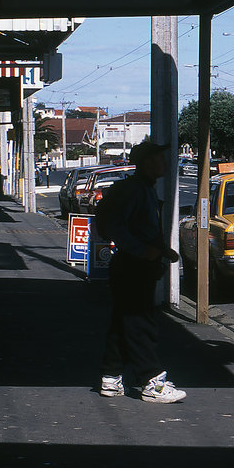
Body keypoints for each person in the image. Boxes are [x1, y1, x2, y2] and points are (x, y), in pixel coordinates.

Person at [96, 140, 186, 403]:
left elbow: (137, 228)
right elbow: (117, 227)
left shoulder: (143, 189)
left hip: (134, 265)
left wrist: (161, 251)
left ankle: (111, 377)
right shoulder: (135, 190)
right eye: (160, 159)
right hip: (132, 266)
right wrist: (141, 250)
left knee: (123, 322)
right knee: (140, 324)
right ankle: (152, 382)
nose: (165, 164)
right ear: (147, 163)